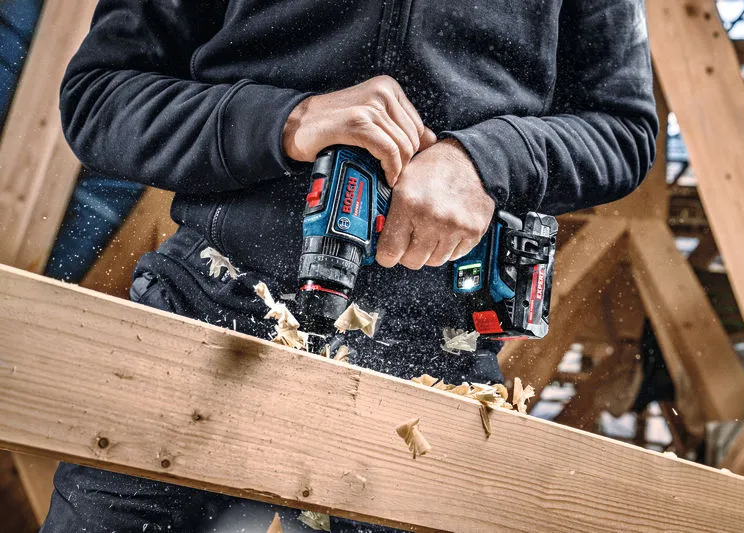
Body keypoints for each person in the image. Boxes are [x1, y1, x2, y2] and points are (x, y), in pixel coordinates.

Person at [42, 1, 657, 531]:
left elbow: (623, 131)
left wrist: (484, 159)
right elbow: (100, 97)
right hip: (203, 311)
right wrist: (287, 121)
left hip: (433, 368)